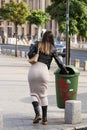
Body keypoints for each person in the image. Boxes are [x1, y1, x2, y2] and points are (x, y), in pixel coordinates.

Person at [28, 30, 68, 125]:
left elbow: (29, 55)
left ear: (43, 36)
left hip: (33, 70)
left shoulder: (37, 44)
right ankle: (45, 119)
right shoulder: (53, 48)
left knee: (33, 94)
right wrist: (65, 71)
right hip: (44, 71)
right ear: (52, 38)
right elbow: (59, 62)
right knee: (43, 95)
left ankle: (37, 114)